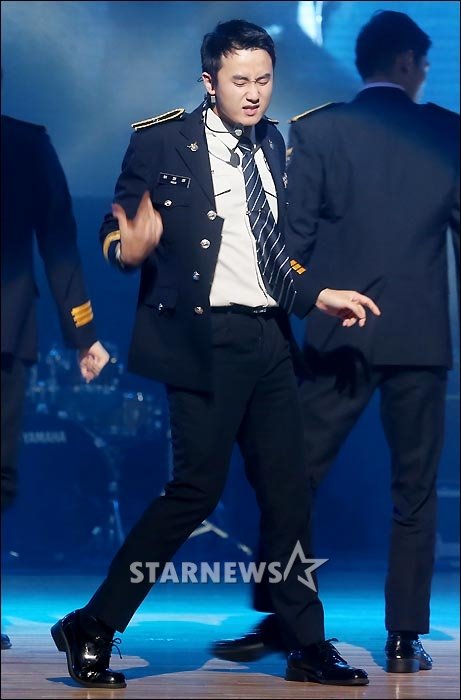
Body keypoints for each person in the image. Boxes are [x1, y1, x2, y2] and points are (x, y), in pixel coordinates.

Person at [50, 19, 380, 689]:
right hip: (201, 343)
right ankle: (95, 623)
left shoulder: (275, 144)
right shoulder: (160, 140)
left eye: (263, 80)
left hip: (269, 340)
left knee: (288, 492)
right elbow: (115, 230)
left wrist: (316, 294)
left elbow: (272, 255)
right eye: (239, 81)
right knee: (193, 492)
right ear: (209, 82)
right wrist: (127, 248)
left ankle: (305, 640)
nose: (254, 94)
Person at [212, 10, 459, 674]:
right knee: (414, 491)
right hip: (419, 339)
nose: (424, 73)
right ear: (406, 63)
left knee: (293, 480)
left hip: (334, 334)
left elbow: (290, 246)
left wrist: (307, 307)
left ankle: (284, 617)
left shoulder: (317, 131)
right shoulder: (447, 132)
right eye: (424, 63)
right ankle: (403, 639)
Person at [1, 113, 110, 649]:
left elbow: (58, 237)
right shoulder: (26, 143)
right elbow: (59, 239)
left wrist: (83, 332)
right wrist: (82, 334)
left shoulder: (24, 144)